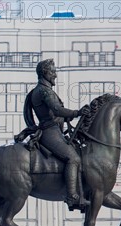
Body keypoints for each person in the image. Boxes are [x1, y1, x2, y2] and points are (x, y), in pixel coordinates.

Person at [26, 58, 90, 211]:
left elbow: (58, 115)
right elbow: (56, 110)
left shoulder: (44, 90)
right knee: (73, 158)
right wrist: (77, 112)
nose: (55, 75)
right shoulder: (43, 91)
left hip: (55, 130)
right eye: (53, 72)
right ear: (45, 73)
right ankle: (72, 196)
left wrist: (72, 116)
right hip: (50, 132)